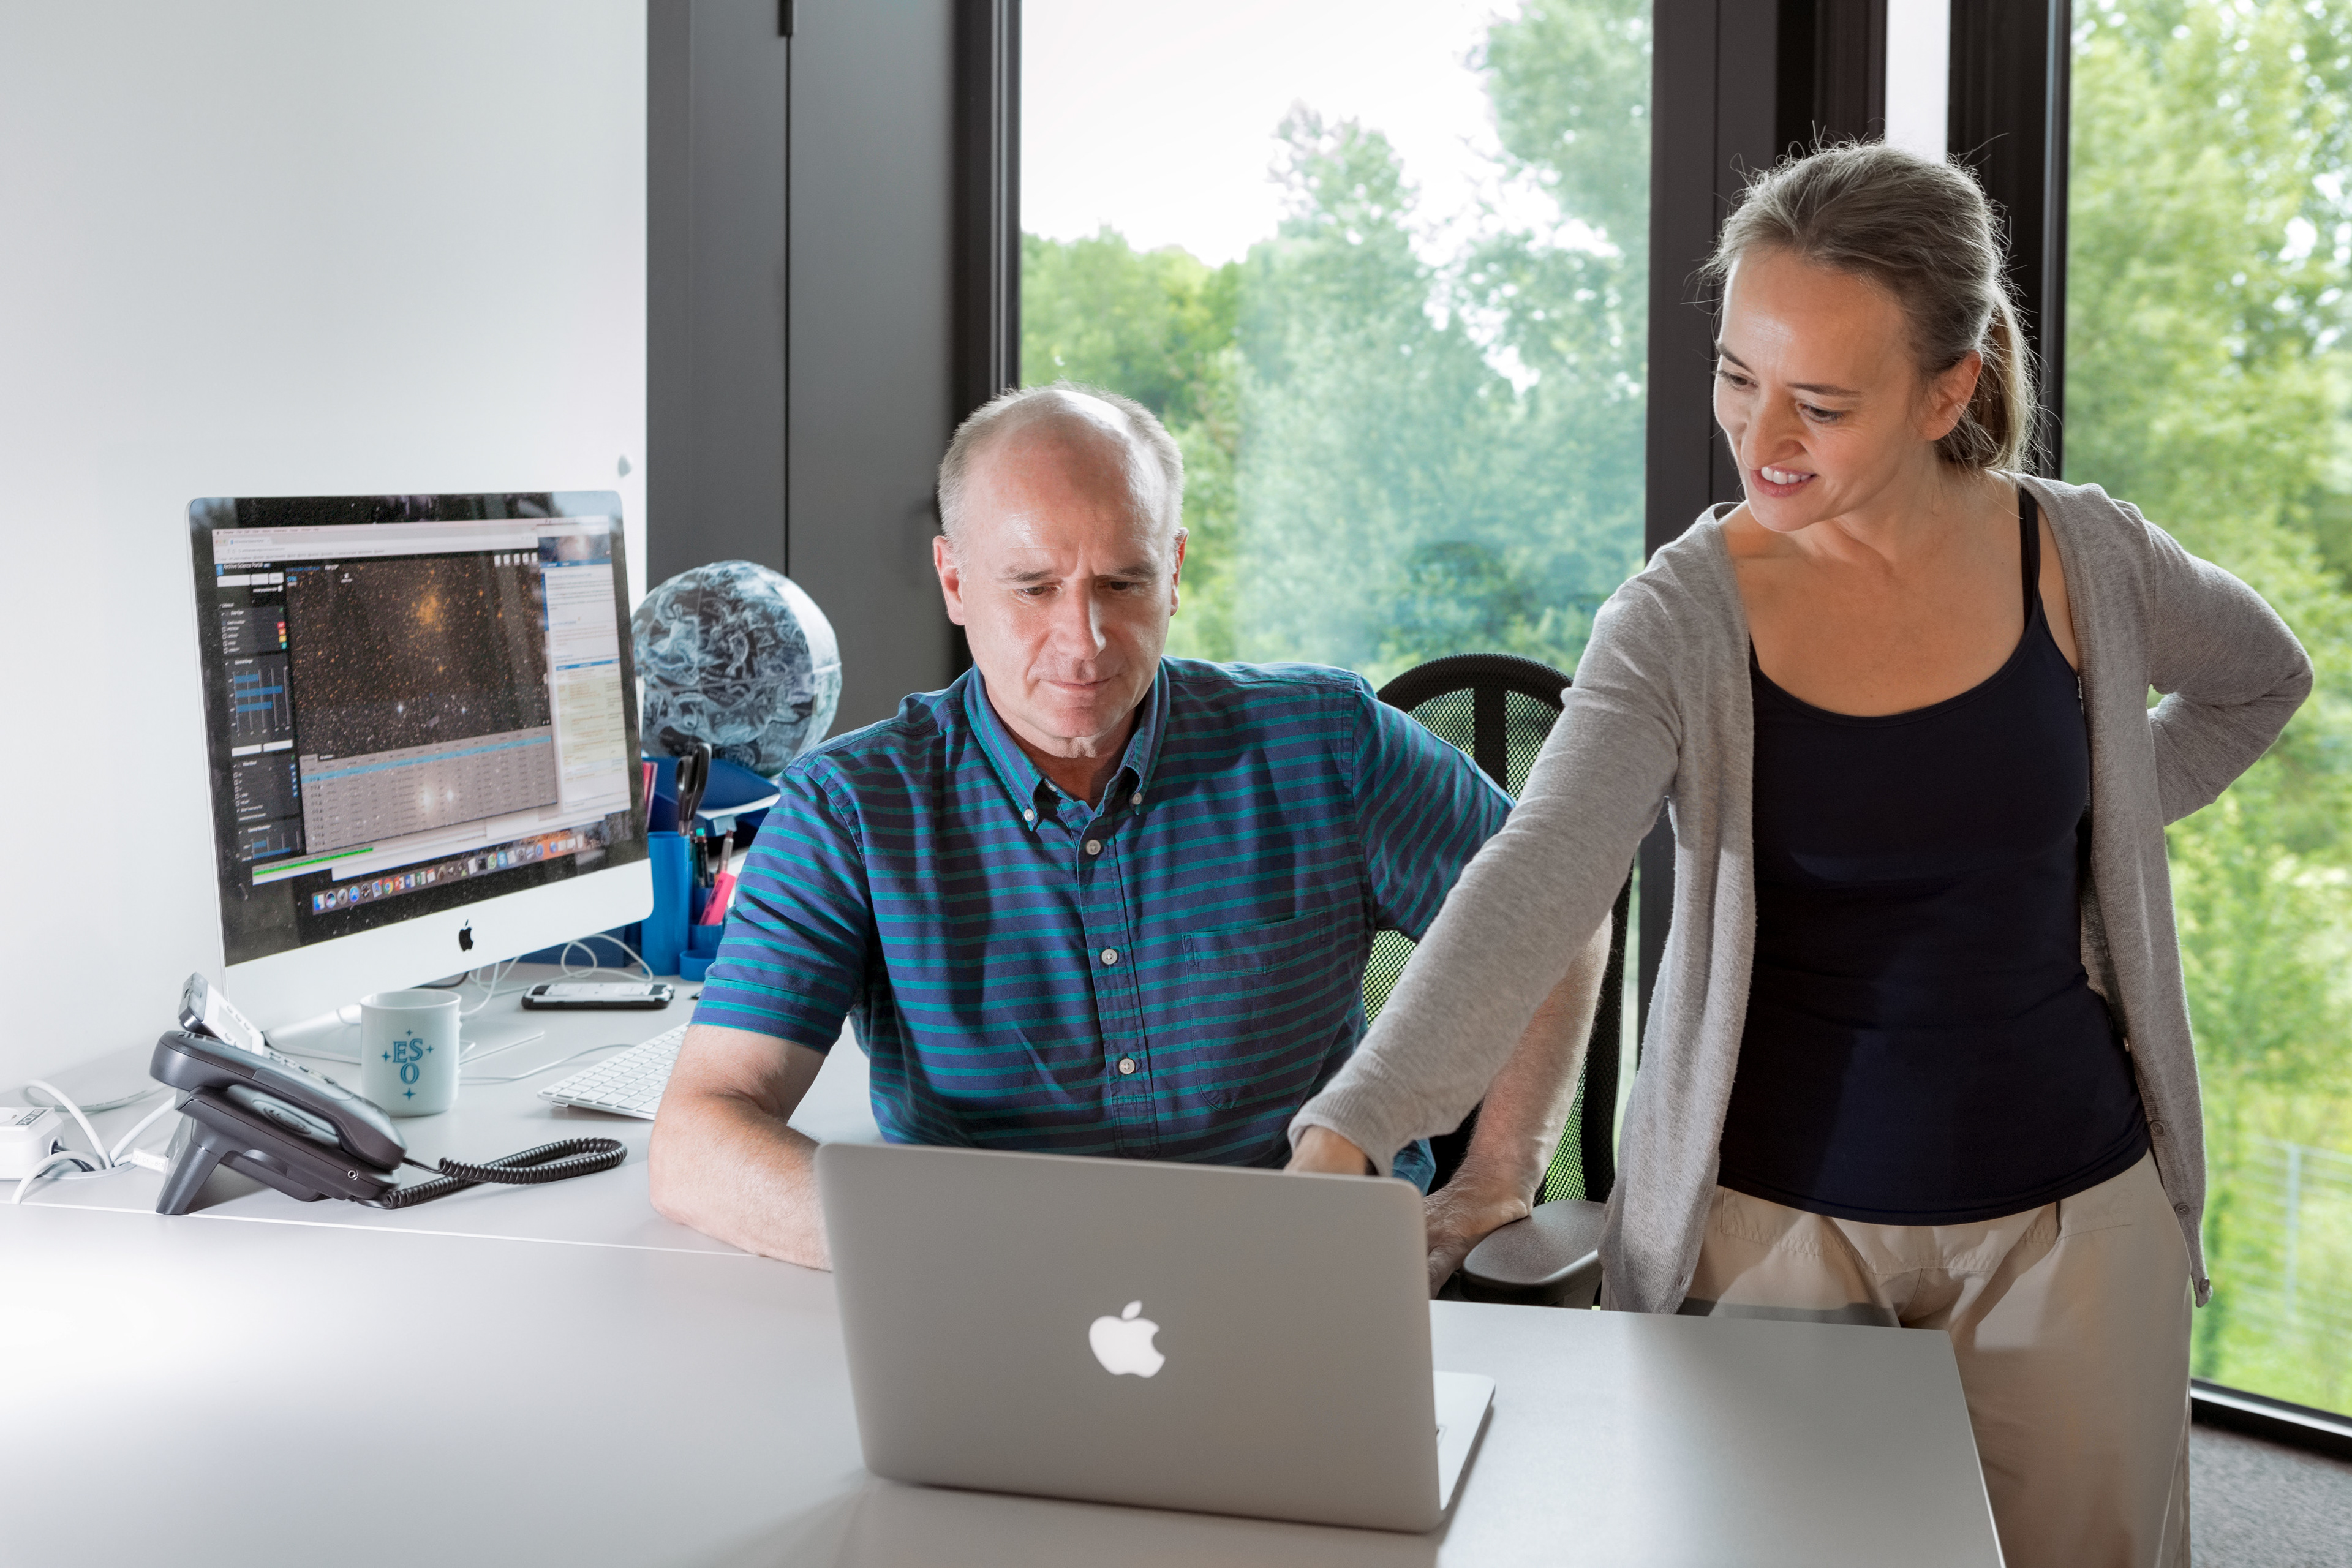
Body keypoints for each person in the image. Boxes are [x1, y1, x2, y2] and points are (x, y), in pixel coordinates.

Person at [1285, 143, 2312, 1568]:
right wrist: (1349, 1130)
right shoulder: (1679, 619)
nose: (1761, 436)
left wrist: (2103, 820)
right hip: (1774, 1236)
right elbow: (1536, 878)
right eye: (1736, 376)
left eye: (1821, 404)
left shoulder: (2083, 558)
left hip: (2073, 1227)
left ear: (1948, 392)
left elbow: (2262, 679)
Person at [649, 382, 1613, 1290]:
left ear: (1175, 573)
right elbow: (698, 1141)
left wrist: (1495, 1178)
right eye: (1033, 587)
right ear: (954, 579)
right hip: (1001, 1303)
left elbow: (1555, 910)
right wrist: (959, 1252)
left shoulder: (1327, 743)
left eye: (1121, 583)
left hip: (1308, 1283)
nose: (1084, 641)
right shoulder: (851, 809)